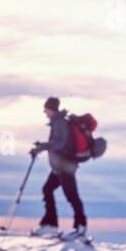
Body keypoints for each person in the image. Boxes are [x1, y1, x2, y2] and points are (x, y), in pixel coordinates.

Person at [29, 97, 88, 240]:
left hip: (65, 166)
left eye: (46, 109)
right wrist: (41, 146)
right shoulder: (58, 122)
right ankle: (50, 225)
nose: (44, 112)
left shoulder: (60, 122)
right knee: (47, 189)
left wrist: (42, 147)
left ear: (51, 109)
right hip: (59, 167)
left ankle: (80, 227)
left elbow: (59, 143)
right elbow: (57, 143)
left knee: (71, 195)